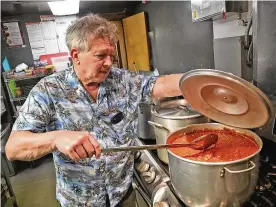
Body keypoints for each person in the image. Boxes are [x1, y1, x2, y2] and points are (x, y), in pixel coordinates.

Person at [6, 14, 184, 207]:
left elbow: (163, 84)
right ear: (76, 55)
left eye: (112, 57)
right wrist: (55, 138)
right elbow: (13, 148)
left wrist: (209, 81)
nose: (109, 63)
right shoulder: (49, 90)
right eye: (101, 56)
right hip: (79, 201)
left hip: (122, 195)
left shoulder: (124, 81)